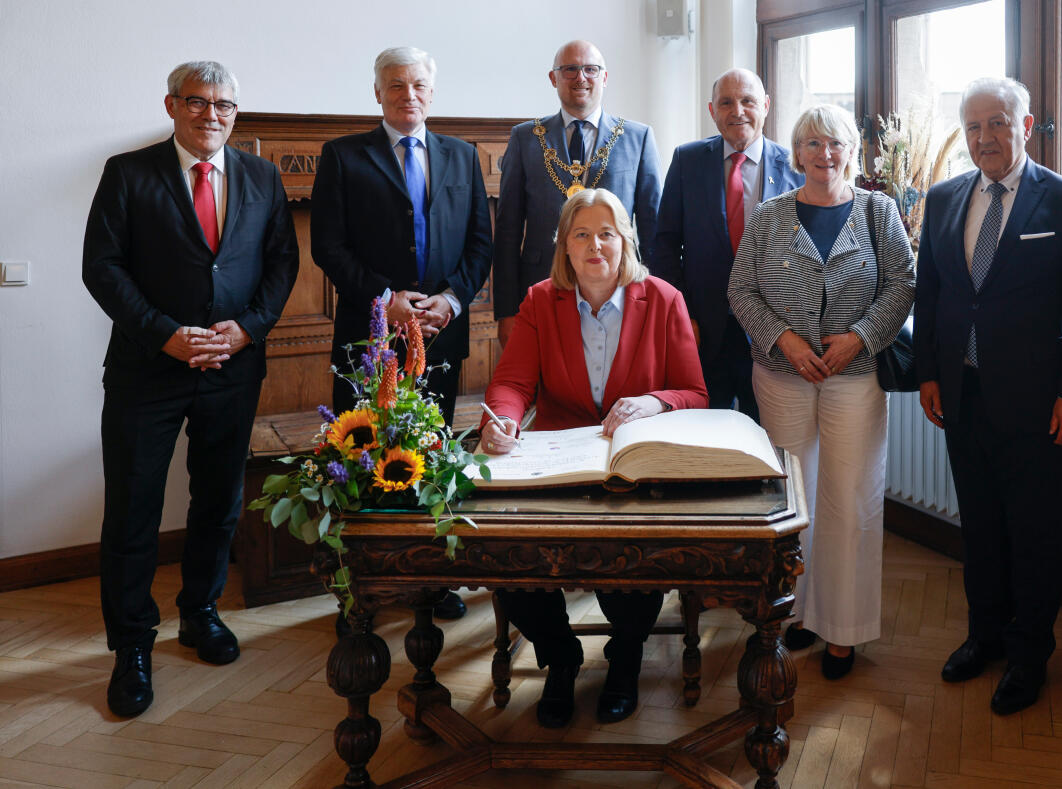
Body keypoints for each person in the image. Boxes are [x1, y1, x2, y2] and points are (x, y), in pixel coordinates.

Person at [82, 61, 299, 717]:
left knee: (218, 502)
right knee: (133, 509)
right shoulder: (129, 173)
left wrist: (249, 330)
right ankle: (132, 645)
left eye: (224, 105)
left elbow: (282, 261)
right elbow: (102, 266)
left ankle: (199, 613)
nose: (212, 115)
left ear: (236, 112)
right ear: (172, 105)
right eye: (198, 103)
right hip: (149, 369)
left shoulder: (261, 176)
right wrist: (164, 333)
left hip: (232, 370)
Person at [913, 77, 1062, 715]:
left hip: (1037, 403)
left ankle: (1029, 656)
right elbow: (934, 296)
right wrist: (929, 374)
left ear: (1026, 126)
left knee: (1032, 534)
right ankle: (985, 637)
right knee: (982, 528)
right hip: (962, 396)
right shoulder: (941, 200)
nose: (984, 138)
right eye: (973, 127)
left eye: (998, 123)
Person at [482, 188, 707, 728]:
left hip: (635, 469)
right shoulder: (541, 301)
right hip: (559, 464)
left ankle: (625, 658)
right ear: (563, 246)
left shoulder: (665, 299)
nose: (595, 244)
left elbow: (695, 393)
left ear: (626, 239)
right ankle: (561, 657)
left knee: (635, 569)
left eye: (607, 232)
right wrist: (504, 418)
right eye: (581, 233)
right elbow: (512, 382)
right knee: (509, 564)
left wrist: (653, 401)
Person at [728, 104, 915, 680]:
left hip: (853, 381)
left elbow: (903, 285)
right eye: (811, 144)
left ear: (850, 151)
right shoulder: (768, 215)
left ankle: (845, 630)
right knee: (794, 500)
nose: (823, 154)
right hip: (782, 377)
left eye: (833, 143)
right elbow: (740, 289)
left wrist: (857, 339)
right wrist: (784, 340)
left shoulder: (878, 211)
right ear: (796, 153)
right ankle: (799, 612)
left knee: (850, 500)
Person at [310, 47, 492, 621]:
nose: (407, 94)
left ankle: (430, 579)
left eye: (417, 85)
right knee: (362, 455)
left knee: (431, 455)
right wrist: (383, 298)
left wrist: (452, 300)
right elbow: (327, 245)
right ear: (378, 93)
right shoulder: (343, 156)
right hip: (369, 337)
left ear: (431, 92)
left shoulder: (463, 157)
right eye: (395, 85)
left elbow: (480, 244)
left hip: (439, 332)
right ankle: (358, 586)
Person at [650, 68, 803, 421]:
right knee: (702, 436)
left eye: (748, 101)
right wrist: (683, 314)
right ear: (712, 111)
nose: (738, 111)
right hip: (704, 330)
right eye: (726, 102)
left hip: (774, 333)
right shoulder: (687, 161)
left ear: (765, 105)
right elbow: (665, 245)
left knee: (767, 436)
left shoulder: (795, 167)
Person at [492, 39, 661, 348]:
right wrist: (506, 311)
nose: (581, 78)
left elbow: (652, 230)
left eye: (590, 69)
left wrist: (655, 300)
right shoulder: (525, 137)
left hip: (619, 287)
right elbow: (506, 232)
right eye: (570, 69)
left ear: (605, 78)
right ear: (553, 78)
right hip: (541, 285)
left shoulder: (639, 138)